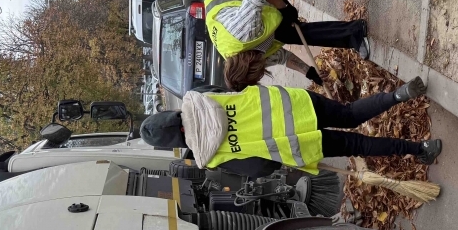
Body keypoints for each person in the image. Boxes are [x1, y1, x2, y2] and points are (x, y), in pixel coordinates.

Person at [140, 77, 441, 178]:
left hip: (299, 142)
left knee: (357, 146)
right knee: (350, 115)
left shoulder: (211, 156)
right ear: (168, 114)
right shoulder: (201, 96)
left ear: (170, 144)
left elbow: (259, 169)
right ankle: (398, 95)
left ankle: (420, 149)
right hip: (296, 104)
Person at [204, 0, 382, 86]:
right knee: (296, 34)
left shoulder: (242, 32)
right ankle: (354, 34)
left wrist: (283, 8)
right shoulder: (248, 61)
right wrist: (308, 72)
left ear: (251, 61)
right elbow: (282, 57)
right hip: (244, 13)